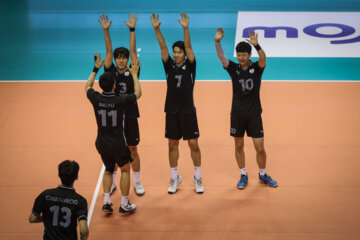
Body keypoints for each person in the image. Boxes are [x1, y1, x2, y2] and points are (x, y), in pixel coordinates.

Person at [214, 27, 278, 189]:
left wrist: (257, 46)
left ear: (249, 55)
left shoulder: (257, 68)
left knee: (260, 147)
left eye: (244, 55)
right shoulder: (233, 69)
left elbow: (263, 59)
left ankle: (263, 174)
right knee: (239, 146)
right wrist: (217, 41)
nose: (241, 58)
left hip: (254, 114)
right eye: (239, 55)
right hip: (237, 114)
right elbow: (222, 58)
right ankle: (243, 174)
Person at [150, 12, 204, 194]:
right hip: (172, 111)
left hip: (188, 111)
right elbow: (162, 46)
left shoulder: (190, 65)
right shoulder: (169, 65)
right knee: (172, 144)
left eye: (179, 52)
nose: (177, 54)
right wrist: (157, 29)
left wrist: (186, 28)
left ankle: (198, 177)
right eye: (175, 52)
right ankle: (175, 178)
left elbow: (189, 46)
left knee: (193, 145)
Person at [85, 52, 141, 213]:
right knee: (124, 169)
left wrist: (95, 68)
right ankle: (124, 204)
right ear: (114, 85)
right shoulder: (120, 100)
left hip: (101, 143)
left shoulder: (95, 98)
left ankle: (107, 202)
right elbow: (138, 93)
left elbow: (87, 87)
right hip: (118, 142)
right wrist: (134, 75)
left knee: (109, 169)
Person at [98, 13, 144, 196]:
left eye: (124, 57)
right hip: (115, 117)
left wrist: (132, 30)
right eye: (119, 58)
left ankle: (138, 182)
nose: (122, 60)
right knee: (115, 151)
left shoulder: (134, 69)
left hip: (131, 115)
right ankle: (114, 181)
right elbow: (108, 51)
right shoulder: (111, 73)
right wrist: (106, 31)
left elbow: (134, 52)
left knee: (133, 149)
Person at [29, 160, 89, 240]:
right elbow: (83, 231)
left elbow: (32, 218)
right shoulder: (80, 201)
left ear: (59, 175)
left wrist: (49, 218)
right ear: (76, 177)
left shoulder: (45, 195)